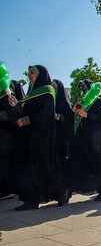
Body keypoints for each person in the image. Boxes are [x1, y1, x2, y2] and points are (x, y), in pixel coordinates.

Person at [9, 65, 68, 210]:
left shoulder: (47, 91)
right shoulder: (32, 92)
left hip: (42, 137)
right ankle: (32, 200)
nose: (29, 75)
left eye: (32, 73)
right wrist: (16, 106)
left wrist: (27, 120)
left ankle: (61, 191)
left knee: (45, 168)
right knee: (31, 170)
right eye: (29, 73)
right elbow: (24, 112)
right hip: (30, 136)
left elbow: (46, 114)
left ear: (40, 75)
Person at [66, 80, 101, 201]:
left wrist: (86, 115)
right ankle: (68, 190)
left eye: (84, 87)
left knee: (99, 165)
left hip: (96, 139)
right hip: (82, 138)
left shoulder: (96, 101)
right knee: (75, 163)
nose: (82, 90)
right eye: (81, 87)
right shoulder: (81, 102)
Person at [0, 80, 24, 199]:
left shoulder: (8, 93)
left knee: (4, 160)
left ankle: (6, 189)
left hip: (6, 133)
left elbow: (12, 114)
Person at [52, 79, 74, 183]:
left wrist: (58, 117)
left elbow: (68, 118)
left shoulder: (64, 103)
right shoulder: (49, 99)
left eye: (54, 87)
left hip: (62, 136)